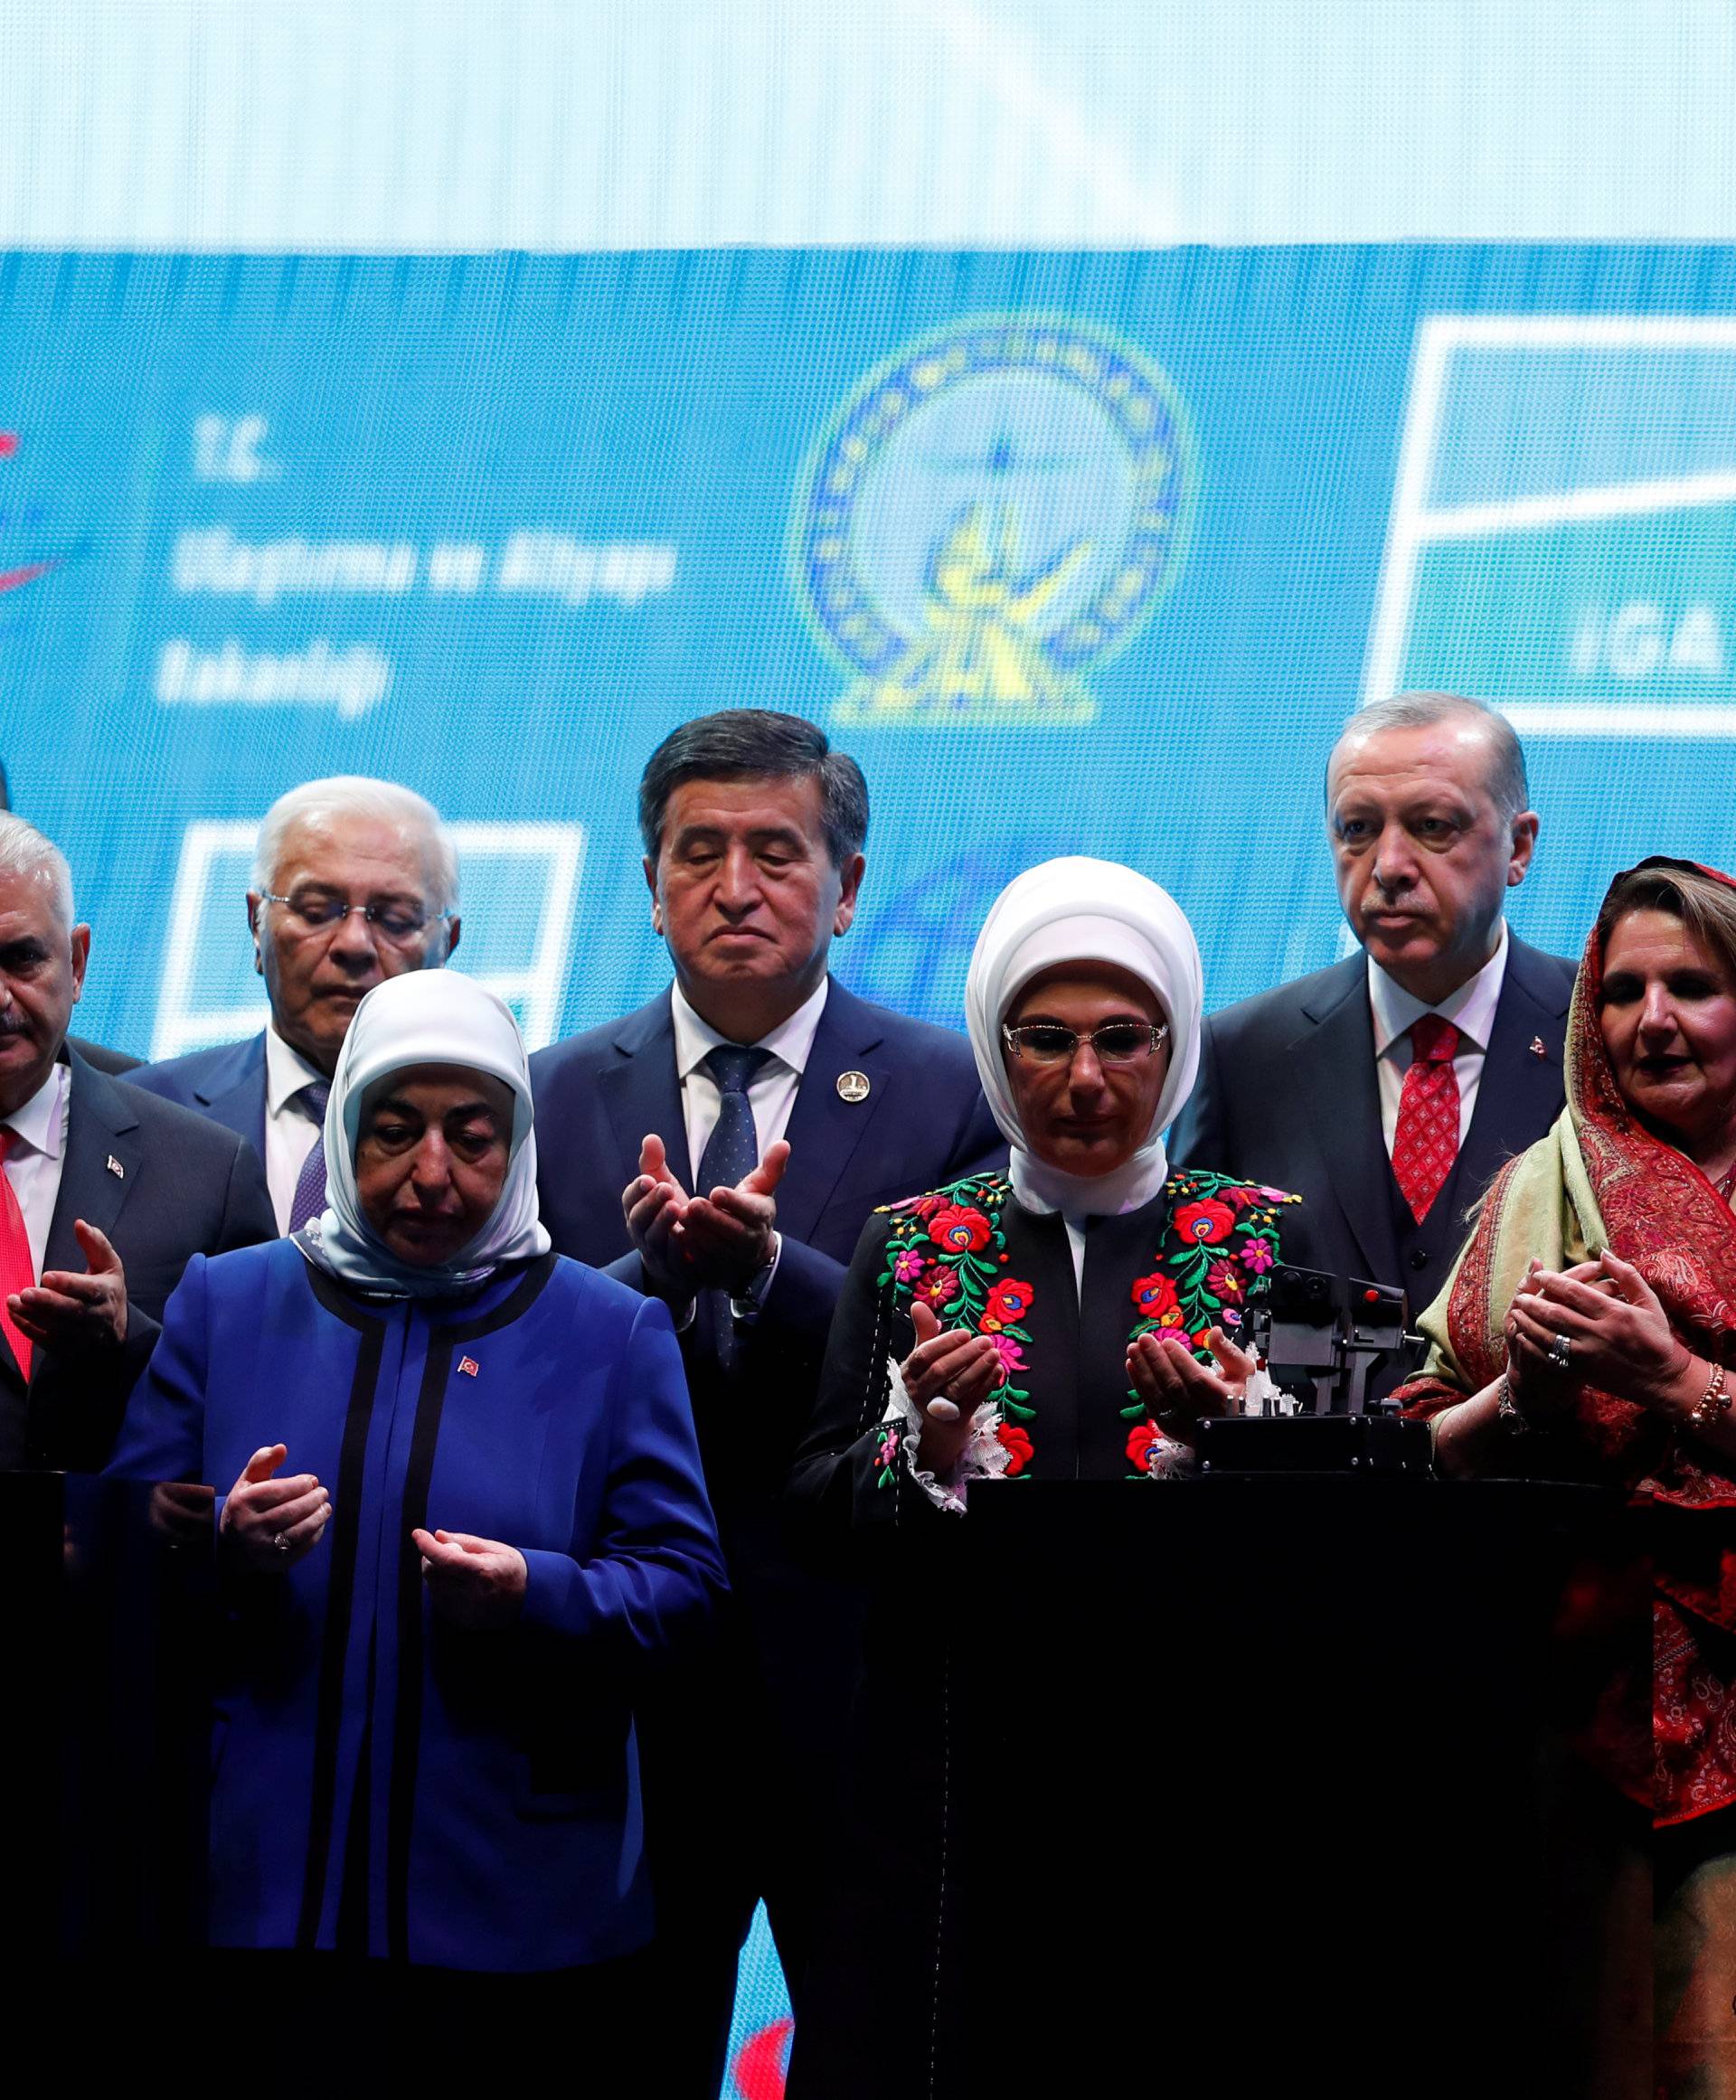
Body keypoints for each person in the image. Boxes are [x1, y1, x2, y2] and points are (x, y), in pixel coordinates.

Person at [108, 969, 725, 2077]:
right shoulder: (228, 1301)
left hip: (516, 1910)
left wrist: (539, 1591)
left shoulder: (612, 1330)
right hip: (256, 1894)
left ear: (519, 1145)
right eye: (392, 1131)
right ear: (342, 1132)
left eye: (472, 1136)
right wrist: (222, 1544)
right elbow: (117, 1563)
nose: (430, 1173)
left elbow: (684, 1589)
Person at [530, 708, 1002, 2088]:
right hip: (623, 1687)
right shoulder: (552, 1094)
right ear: (651, 879)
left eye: (778, 852)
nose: (737, 886)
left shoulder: (951, 1091)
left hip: (859, 1674)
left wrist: (779, 1273)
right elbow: (524, 1364)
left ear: (848, 885)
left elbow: (971, 1357)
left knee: (872, 2052)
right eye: (700, 851)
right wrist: (647, 1273)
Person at [785, 855, 1302, 2096]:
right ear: (994, 1046)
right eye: (1047, 1038)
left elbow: (1362, 1521)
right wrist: (927, 1450)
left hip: (1198, 1782)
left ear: (1177, 1047)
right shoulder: (911, 1241)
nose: (1085, 1078)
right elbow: (813, 1498)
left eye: (1126, 1038)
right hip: (956, 1774)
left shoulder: (1266, 1233)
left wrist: (1251, 1435)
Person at [1399, 858, 1736, 2097]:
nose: (1655, 1017)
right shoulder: (1539, 1188)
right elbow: (1417, 1440)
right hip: (1563, 1724)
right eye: (1626, 987)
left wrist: (1672, 1377)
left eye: (1695, 986)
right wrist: (1517, 1400)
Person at [1171, 692, 1577, 1340]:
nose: (1388, 867)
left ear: (1519, 846)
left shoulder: (1599, 1035)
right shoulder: (1242, 1052)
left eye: (1433, 826)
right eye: (1357, 829)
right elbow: (1199, 1303)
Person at [0, 814, 274, 1470]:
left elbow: (261, 1412)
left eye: (22, 958)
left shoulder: (210, 1171)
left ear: (77, 962)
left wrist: (126, 1338)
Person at [130, 777, 458, 1234]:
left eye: (396, 919)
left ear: (448, 945)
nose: (354, 944)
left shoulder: (515, 1137)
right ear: (256, 925)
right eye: (317, 910)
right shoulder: (137, 1115)